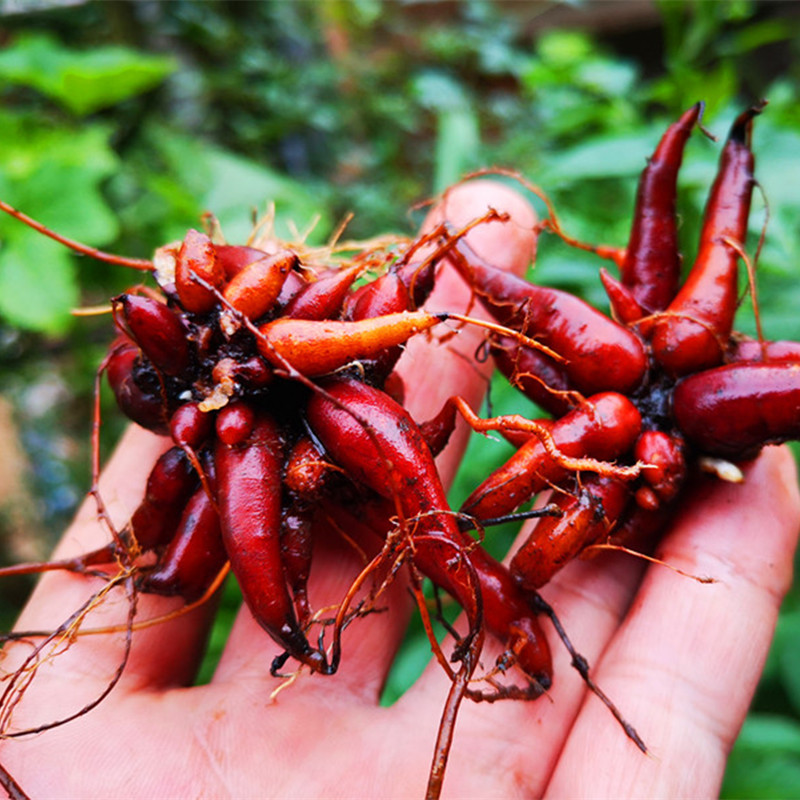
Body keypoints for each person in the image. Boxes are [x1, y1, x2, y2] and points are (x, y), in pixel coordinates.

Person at [0, 182, 797, 799]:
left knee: (423, 523)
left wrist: (401, 309)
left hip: (354, 390)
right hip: (300, 404)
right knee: (220, 540)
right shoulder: (222, 429)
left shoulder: (306, 372)